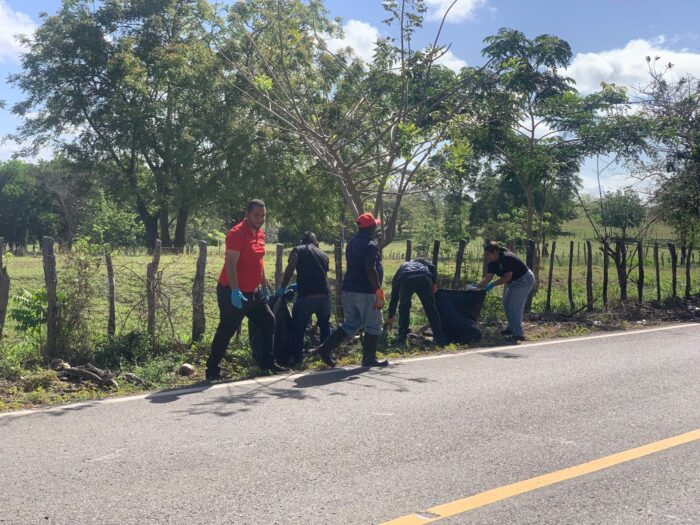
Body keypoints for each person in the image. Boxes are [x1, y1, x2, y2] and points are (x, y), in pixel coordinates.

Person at [205, 199, 287, 380]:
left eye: (263, 216)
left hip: (254, 291)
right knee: (227, 329)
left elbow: (259, 262)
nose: (260, 219)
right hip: (232, 291)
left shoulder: (260, 234)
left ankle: (267, 362)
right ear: (247, 214)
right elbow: (231, 264)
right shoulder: (236, 234)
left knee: (268, 321)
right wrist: (235, 291)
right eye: (256, 215)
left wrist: (264, 285)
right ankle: (212, 370)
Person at [310, 212, 388, 368]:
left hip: (349, 289)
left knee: (352, 323)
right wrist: (378, 291)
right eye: (374, 226)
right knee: (374, 324)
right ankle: (369, 358)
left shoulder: (352, 243)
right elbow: (369, 269)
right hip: (366, 291)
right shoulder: (370, 245)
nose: (376, 229)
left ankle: (325, 348)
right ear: (370, 228)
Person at [276, 231, 331, 368]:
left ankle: (297, 359)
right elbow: (320, 275)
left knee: (298, 328)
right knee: (325, 326)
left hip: (306, 296)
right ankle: (327, 354)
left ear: (302, 242)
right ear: (316, 242)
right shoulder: (324, 255)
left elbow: (291, 267)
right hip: (324, 296)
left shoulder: (298, 250)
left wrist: (283, 287)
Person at [475, 241, 535, 342]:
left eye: (488, 254)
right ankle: (511, 329)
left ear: (495, 252)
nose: (486, 257)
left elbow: (507, 277)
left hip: (524, 280)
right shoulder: (492, 262)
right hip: (513, 282)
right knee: (506, 304)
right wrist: (476, 286)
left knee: (515, 306)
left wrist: (492, 285)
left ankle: (518, 334)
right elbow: (488, 278)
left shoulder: (506, 258)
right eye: (485, 254)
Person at [386, 258, 447, 345]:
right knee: (431, 308)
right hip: (424, 278)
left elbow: (394, 295)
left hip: (406, 278)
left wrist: (391, 315)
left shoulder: (403, 267)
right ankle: (440, 338)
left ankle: (402, 336)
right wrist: (434, 282)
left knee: (404, 307)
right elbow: (433, 267)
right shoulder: (424, 264)